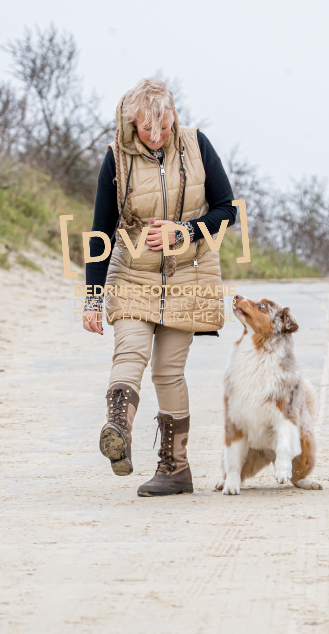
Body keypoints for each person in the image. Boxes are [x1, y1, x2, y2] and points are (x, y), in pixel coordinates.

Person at [81, 77, 237, 497]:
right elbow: (101, 234)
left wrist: (183, 232)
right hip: (133, 275)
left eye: (164, 127)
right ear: (133, 122)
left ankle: (175, 469)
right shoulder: (116, 159)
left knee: (169, 371)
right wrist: (93, 299)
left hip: (188, 275)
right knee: (129, 352)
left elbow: (227, 211)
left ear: (173, 117)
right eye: (147, 129)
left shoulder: (197, 145)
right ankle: (119, 431)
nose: (157, 136)